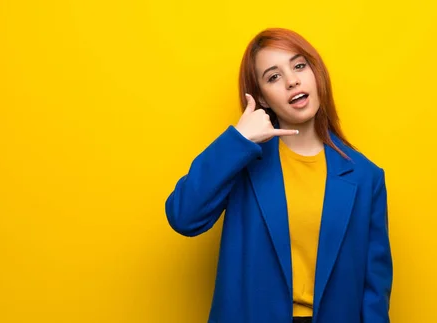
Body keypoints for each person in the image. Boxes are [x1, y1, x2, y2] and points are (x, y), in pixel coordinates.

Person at [165, 27, 393, 323]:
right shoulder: (242, 160)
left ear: (316, 72)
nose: (292, 80)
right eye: (273, 76)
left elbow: (373, 293)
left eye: (299, 65)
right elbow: (184, 216)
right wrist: (238, 140)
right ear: (261, 97)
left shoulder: (366, 177)